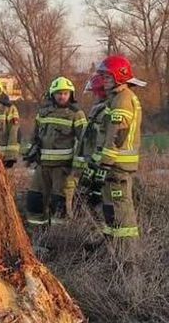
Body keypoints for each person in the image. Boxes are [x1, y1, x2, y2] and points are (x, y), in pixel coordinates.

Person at [84, 55, 144, 244]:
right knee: (111, 211)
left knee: (121, 213)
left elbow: (118, 134)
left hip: (118, 165)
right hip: (114, 165)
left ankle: (128, 255)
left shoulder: (122, 99)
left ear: (120, 76)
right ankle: (113, 250)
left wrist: (105, 162)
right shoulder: (117, 98)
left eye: (108, 77)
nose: (104, 81)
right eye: (104, 77)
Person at [23, 77, 87, 229]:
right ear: (52, 94)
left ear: (71, 95)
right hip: (42, 166)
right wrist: (28, 153)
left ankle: (58, 235)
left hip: (63, 168)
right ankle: (36, 233)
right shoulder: (43, 113)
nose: (62, 96)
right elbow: (34, 135)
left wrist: (79, 166)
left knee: (59, 203)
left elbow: (84, 141)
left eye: (65, 93)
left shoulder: (76, 114)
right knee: (35, 200)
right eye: (59, 93)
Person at [73, 73, 110, 213]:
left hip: (99, 165)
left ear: (101, 92)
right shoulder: (98, 110)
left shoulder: (105, 111)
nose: (93, 96)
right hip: (92, 164)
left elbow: (103, 140)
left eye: (95, 92)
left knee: (97, 200)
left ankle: (97, 224)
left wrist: (97, 165)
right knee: (84, 198)